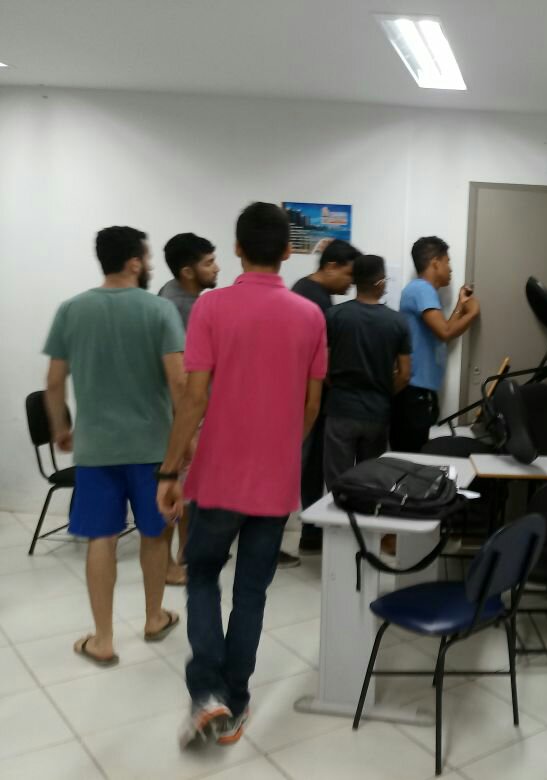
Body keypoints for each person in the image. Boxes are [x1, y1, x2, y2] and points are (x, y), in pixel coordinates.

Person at [156, 203, 326, 747]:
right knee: (251, 592)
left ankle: (207, 693)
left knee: (203, 575)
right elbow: (311, 405)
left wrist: (169, 469)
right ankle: (237, 699)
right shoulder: (310, 316)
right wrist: (281, 449)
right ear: (288, 251)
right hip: (275, 483)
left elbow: (194, 397)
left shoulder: (211, 306)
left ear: (236, 249)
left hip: (218, 477)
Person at [43, 226, 184, 668]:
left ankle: (103, 639)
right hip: (153, 448)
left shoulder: (71, 309)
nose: (150, 264)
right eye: (147, 257)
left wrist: (62, 427)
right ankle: (154, 617)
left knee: (101, 538)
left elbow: (53, 382)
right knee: (154, 533)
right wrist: (187, 441)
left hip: (96, 449)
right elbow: (179, 383)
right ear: (135, 261)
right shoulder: (159, 310)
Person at [287, 238, 361, 557]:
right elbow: (316, 357)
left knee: (312, 467)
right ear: (331, 266)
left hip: (307, 395)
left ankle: (311, 533)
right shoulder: (313, 298)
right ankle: (304, 531)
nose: (351, 283)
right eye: (348, 274)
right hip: (307, 398)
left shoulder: (309, 291)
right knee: (304, 465)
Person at [158, 232, 220, 586]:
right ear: (187, 271)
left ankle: (185, 554)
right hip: (183, 414)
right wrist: (188, 430)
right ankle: (168, 564)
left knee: (189, 489)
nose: (216, 268)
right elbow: (179, 377)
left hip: (192, 413)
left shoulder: (177, 294)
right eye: (208, 263)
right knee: (177, 489)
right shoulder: (178, 306)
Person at [324, 254, 411, 485]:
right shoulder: (397, 322)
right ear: (380, 282)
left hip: (340, 409)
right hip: (377, 413)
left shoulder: (334, 316)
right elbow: (404, 374)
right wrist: (383, 392)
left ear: (355, 281)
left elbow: (324, 367)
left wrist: (339, 388)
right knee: (369, 484)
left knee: (337, 484)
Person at [390, 236, 480, 452]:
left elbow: (443, 330)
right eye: (447, 262)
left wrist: (460, 305)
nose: (450, 269)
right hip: (413, 392)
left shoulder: (422, 291)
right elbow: (445, 332)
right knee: (411, 457)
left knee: (415, 454)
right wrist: (472, 313)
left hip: (419, 392)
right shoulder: (422, 289)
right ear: (435, 263)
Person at [158, 232, 219, 329]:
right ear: (187, 273)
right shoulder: (186, 310)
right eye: (208, 264)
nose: (217, 269)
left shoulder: (169, 287)